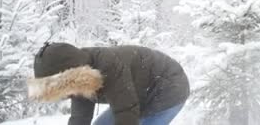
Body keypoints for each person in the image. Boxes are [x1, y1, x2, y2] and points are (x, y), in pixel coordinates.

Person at [28, 42, 190, 125]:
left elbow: (126, 112)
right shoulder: (81, 74)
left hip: (170, 89)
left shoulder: (109, 66)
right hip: (138, 91)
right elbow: (80, 117)